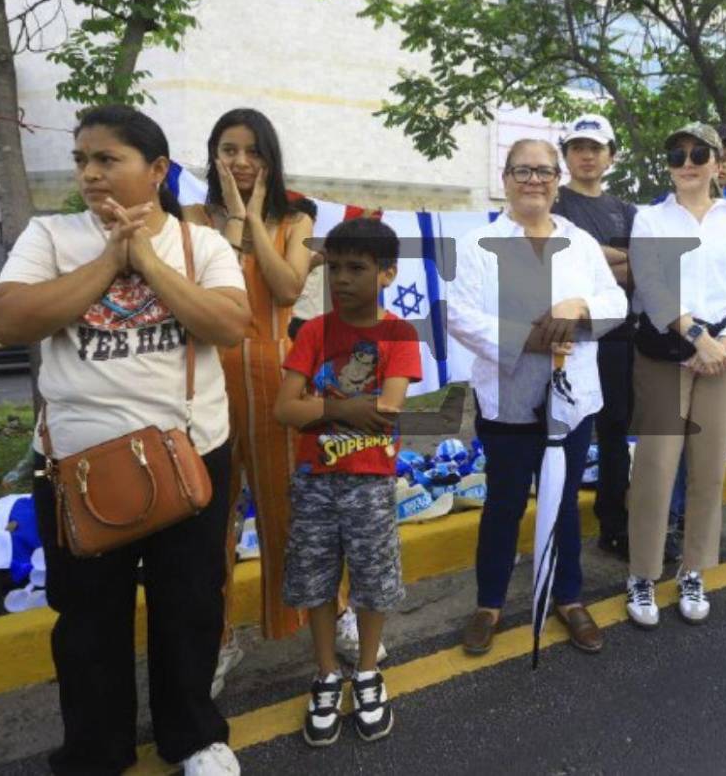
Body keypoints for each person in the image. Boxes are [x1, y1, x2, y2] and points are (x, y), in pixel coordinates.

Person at [0, 105, 249, 775]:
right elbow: (11, 319)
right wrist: (109, 259)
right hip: (78, 466)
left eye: (108, 159)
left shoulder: (202, 245)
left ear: (157, 170)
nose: (90, 173)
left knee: (189, 606)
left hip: (189, 455)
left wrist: (149, 264)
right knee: (86, 621)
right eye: (82, 160)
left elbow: (228, 324)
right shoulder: (50, 235)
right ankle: (96, 751)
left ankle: (192, 738)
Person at [449, 139, 627, 657]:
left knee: (564, 500)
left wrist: (579, 304)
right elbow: (460, 316)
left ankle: (568, 597)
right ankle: (490, 603)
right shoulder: (480, 242)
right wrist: (529, 337)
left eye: (544, 171)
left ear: (556, 181)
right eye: (523, 171)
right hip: (507, 398)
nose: (534, 180)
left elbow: (615, 303)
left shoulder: (581, 243)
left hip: (570, 402)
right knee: (503, 502)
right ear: (504, 178)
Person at [274, 217, 421, 746]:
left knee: (374, 581)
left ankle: (365, 673)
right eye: (333, 267)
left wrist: (326, 409)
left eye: (356, 268)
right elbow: (283, 409)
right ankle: (325, 675)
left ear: (387, 274)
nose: (341, 279)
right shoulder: (313, 332)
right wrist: (351, 408)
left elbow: (389, 408)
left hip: (371, 485)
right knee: (314, 581)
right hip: (314, 482)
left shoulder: (399, 334)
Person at [184, 109, 315, 691]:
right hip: (204, 383)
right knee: (209, 522)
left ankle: (320, 623)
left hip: (275, 378)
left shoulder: (297, 216)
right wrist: (232, 220)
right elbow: (212, 289)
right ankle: (217, 640)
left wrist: (254, 218)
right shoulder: (189, 218)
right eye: (228, 149)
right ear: (213, 155)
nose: (240, 161)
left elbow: (287, 287)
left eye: (252, 151)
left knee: (292, 509)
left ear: (270, 159)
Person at [624, 123, 726, 628]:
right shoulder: (650, 218)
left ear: (716, 162)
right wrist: (698, 338)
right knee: (657, 467)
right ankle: (642, 573)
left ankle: (693, 567)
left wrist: (725, 345)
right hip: (667, 354)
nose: (687, 161)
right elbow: (653, 288)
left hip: (724, 359)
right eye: (677, 153)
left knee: (708, 469)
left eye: (698, 153)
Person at [552, 113, 636, 560]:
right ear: (566, 155)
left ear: (611, 156)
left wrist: (592, 257)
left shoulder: (625, 210)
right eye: (578, 148)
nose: (586, 156)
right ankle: (554, 523)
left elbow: (640, 268)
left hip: (618, 334)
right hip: (567, 336)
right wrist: (613, 259)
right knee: (562, 429)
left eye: (596, 148)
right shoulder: (554, 202)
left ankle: (614, 523)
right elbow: (557, 254)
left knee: (614, 430)